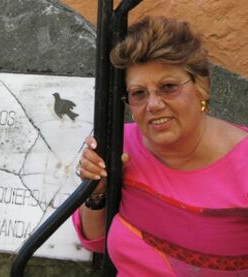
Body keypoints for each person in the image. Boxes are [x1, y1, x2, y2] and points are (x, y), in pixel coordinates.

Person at [72, 16, 248, 276]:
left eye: (168, 87)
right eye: (139, 93)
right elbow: (96, 239)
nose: (153, 104)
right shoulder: (122, 144)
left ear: (202, 88)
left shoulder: (242, 165)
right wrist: (96, 192)